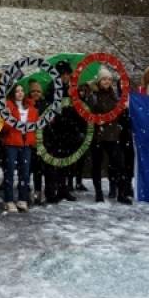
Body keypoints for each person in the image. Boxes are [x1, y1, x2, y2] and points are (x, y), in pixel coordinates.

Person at [43, 60, 84, 203]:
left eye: (67, 74)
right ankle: (50, 191)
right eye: (63, 74)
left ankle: (63, 189)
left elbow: (77, 109)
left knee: (65, 163)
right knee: (52, 163)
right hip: (54, 131)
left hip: (69, 130)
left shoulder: (72, 90)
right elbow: (47, 109)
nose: (66, 77)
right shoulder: (50, 89)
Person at [88, 68, 126, 203]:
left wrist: (123, 108)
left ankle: (118, 191)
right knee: (97, 164)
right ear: (99, 81)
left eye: (109, 79)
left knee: (117, 164)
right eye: (104, 79)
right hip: (97, 135)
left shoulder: (114, 96)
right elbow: (90, 113)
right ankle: (98, 193)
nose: (107, 81)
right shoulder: (92, 95)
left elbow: (118, 113)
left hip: (112, 134)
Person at [0, 84, 38, 213]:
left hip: (26, 143)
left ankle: (23, 199)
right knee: (9, 171)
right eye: (17, 91)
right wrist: (11, 122)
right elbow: (4, 127)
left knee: (25, 172)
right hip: (11, 143)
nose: (20, 93)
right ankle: (9, 200)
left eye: (22, 91)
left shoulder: (32, 108)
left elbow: (34, 126)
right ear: (13, 93)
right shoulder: (8, 106)